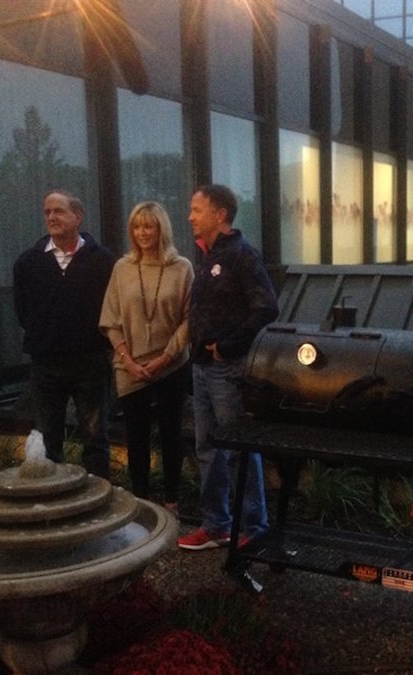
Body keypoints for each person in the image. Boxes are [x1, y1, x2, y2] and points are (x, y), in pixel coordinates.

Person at [177, 184, 279, 550]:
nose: (190, 216)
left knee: (238, 450)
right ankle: (217, 525)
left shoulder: (241, 255)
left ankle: (254, 528)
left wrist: (229, 345)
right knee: (207, 448)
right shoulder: (208, 256)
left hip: (228, 370)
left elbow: (267, 307)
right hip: (202, 369)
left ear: (219, 214)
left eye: (196, 209)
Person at [13, 189, 115, 478]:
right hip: (45, 365)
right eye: (47, 212)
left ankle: (99, 502)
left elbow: (112, 307)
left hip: (90, 362)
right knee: (48, 439)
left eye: (58, 211)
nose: (51, 217)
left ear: (78, 216)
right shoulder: (28, 263)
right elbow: (22, 311)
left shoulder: (103, 261)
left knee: (96, 438)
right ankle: (55, 505)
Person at [99, 202, 193, 511]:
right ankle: (140, 501)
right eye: (137, 227)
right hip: (130, 366)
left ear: (161, 229)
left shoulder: (182, 268)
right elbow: (110, 320)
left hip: (171, 366)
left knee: (170, 434)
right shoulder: (121, 268)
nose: (142, 233)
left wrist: (165, 358)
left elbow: (189, 320)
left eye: (148, 226)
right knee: (135, 437)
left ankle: (171, 500)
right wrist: (127, 360)